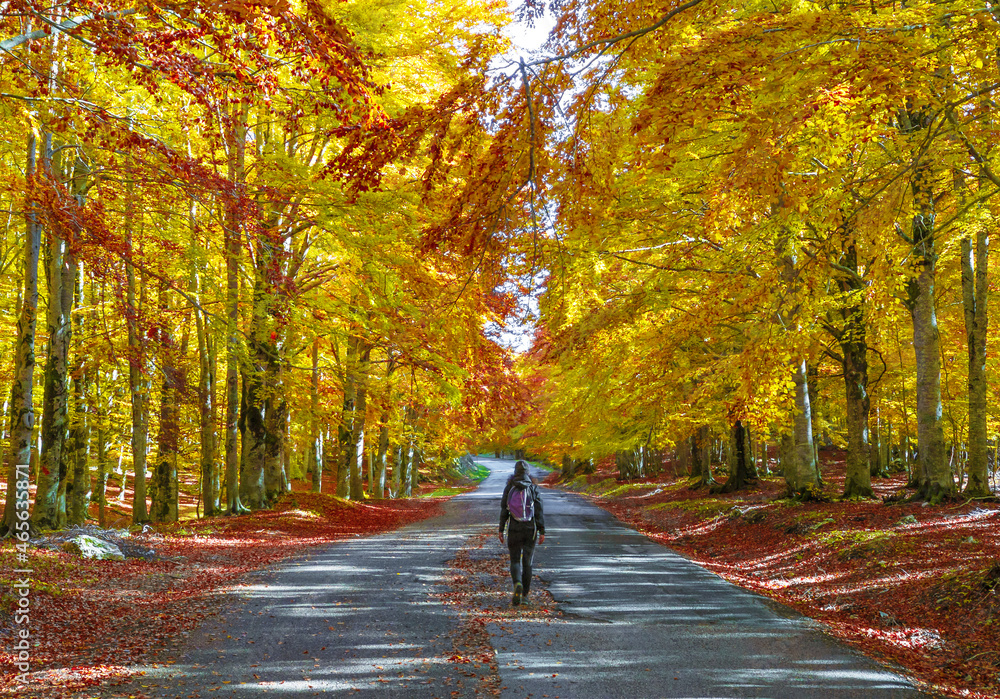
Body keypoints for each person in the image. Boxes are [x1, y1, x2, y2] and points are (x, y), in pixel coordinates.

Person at [499, 460, 545, 606]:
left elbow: (504, 509)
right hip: (530, 529)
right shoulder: (533, 487)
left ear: (515, 472)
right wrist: (542, 530)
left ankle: (517, 583)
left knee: (514, 560)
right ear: (528, 472)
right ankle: (524, 596)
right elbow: (538, 510)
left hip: (514, 528)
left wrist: (501, 529)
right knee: (527, 562)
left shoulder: (509, 487)